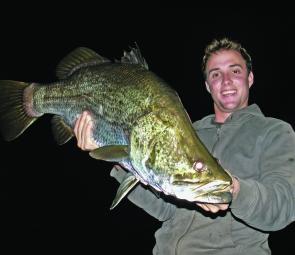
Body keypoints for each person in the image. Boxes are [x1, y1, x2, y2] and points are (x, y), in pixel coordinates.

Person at [73, 38, 295, 254]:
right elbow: (166, 209)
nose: (226, 81)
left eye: (235, 71)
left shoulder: (275, 132)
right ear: (208, 86)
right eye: (216, 74)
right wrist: (120, 162)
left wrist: (236, 190)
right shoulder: (189, 131)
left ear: (250, 78)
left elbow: (284, 206)